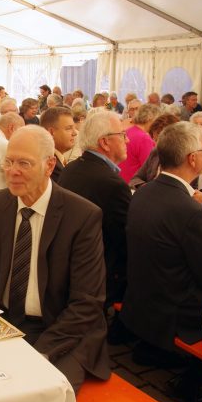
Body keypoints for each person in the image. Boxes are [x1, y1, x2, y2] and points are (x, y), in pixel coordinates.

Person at [0, 125, 108, 391]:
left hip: (61, 332)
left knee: (38, 393)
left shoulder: (81, 216)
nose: (12, 171)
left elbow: (87, 304)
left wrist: (38, 352)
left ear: (49, 166)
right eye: (9, 161)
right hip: (4, 321)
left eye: (24, 163)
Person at [121, 121, 202, 377]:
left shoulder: (142, 192)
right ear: (192, 159)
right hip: (174, 311)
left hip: (143, 298)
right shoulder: (191, 212)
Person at [59, 110, 131, 306]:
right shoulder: (112, 184)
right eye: (122, 135)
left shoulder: (71, 169)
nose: (128, 140)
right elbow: (126, 241)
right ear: (105, 142)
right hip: (99, 279)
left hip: (66, 269)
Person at [129, 113, 181, 189]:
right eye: (155, 139)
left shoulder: (183, 159)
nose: (156, 144)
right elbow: (134, 180)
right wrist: (147, 188)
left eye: (160, 140)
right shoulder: (155, 153)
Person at [118, 103, 160, 182]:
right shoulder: (144, 138)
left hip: (121, 180)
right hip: (134, 184)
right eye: (156, 120)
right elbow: (150, 170)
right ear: (150, 118)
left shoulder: (127, 132)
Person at [39, 106, 77, 183]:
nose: (75, 133)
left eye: (74, 128)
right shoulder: (50, 166)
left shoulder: (57, 159)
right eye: (69, 128)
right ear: (51, 132)